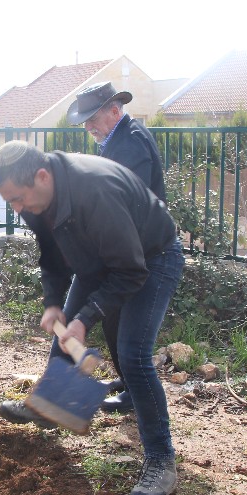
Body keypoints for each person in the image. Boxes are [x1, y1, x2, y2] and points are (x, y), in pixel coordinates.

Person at [0, 141, 184, 495]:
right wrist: (53, 304)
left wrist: (85, 317)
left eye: (17, 198)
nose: (16, 209)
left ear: (42, 176)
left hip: (150, 257)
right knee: (66, 331)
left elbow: (130, 270)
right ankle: (53, 408)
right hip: (98, 257)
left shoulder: (95, 190)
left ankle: (161, 459)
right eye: (9, 201)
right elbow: (52, 256)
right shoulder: (33, 199)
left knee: (132, 353)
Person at [66, 81, 167, 412]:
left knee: (127, 333)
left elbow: (121, 200)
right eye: (85, 121)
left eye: (93, 118)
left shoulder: (131, 144)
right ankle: (127, 384)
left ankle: (137, 396)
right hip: (121, 246)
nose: (89, 127)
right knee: (112, 319)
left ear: (114, 110)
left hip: (141, 250)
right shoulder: (114, 140)